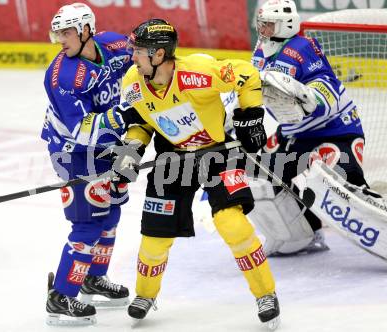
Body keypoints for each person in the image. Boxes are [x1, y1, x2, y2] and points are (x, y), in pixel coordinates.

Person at [111, 18, 281, 330]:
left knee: (232, 222)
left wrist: (250, 115)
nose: (132, 56)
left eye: (138, 51)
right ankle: (145, 295)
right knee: (154, 238)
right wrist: (129, 154)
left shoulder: (198, 72)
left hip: (218, 152)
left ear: (159, 55)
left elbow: (247, 74)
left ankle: (265, 294)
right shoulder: (133, 82)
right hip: (173, 158)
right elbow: (141, 123)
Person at [41, 2, 138, 326]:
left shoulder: (113, 45)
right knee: (87, 223)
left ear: (86, 30)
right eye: (58, 34)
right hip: (73, 151)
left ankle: (93, 277)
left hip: (107, 143)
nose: (60, 40)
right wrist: (125, 118)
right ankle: (61, 296)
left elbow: (141, 67)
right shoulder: (61, 76)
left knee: (111, 212)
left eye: (66, 33)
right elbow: (81, 129)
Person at [247, 0, 368, 256]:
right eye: (262, 23)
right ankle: (303, 234)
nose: (263, 28)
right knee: (262, 175)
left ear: (285, 24)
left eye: (268, 23)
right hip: (296, 134)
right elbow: (252, 87)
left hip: (335, 130)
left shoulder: (302, 47)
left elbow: (326, 84)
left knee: (347, 186)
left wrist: (311, 98)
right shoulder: (261, 50)